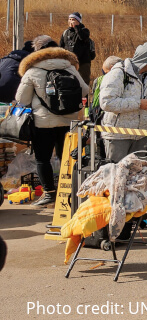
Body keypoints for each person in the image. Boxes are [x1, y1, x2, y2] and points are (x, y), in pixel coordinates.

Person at [15, 45, 90, 207]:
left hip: (42, 123)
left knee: (43, 159)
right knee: (68, 158)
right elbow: (84, 90)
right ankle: (70, 193)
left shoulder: (33, 71)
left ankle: (49, 193)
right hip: (68, 121)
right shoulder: (69, 68)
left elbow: (22, 98)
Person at [101, 43, 147, 162]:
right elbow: (106, 102)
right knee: (117, 174)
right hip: (118, 135)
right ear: (146, 59)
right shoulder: (118, 73)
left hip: (140, 135)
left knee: (136, 178)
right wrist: (138, 104)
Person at [59, 12, 94, 83]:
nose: (71, 21)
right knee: (70, 82)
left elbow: (82, 37)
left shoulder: (85, 30)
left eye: (73, 19)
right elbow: (61, 47)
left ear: (78, 21)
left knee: (83, 82)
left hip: (83, 62)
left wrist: (76, 27)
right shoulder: (65, 32)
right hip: (69, 62)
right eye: (70, 19)